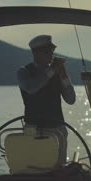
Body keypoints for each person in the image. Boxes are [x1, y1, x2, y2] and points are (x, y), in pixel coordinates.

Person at [16, 35, 76, 165]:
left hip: (57, 127)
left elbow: (71, 99)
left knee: (58, 166)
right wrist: (52, 70)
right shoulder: (23, 72)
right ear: (35, 53)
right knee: (33, 165)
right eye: (47, 52)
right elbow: (32, 88)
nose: (51, 55)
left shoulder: (56, 72)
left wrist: (64, 76)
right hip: (33, 128)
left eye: (51, 51)